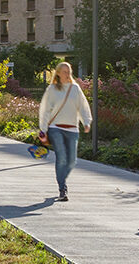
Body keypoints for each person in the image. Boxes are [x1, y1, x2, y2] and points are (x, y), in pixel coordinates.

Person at [38, 62, 92, 202]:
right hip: (56, 128)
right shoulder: (52, 89)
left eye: (68, 71)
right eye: (64, 71)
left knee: (72, 161)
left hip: (72, 129)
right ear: (58, 73)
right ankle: (62, 189)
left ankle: (61, 180)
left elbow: (83, 106)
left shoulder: (75, 89)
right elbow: (45, 110)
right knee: (61, 157)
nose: (67, 74)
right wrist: (43, 129)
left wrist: (86, 121)